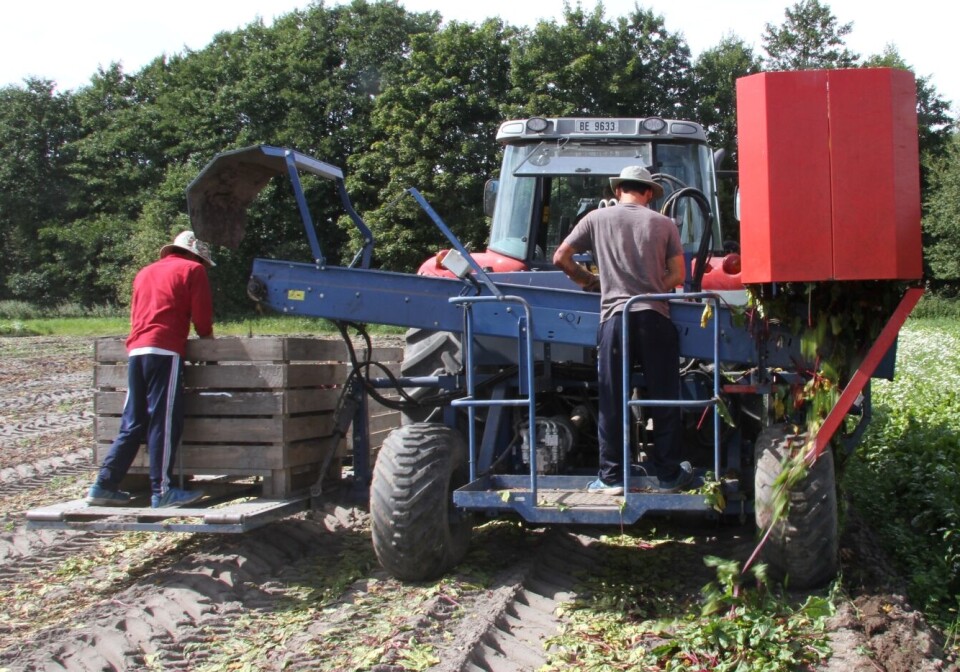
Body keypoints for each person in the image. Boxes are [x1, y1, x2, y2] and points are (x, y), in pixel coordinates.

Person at [552, 166, 693, 495]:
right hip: (655, 317)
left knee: (612, 398)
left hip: (615, 320)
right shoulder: (664, 223)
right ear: (647, 193)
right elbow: (677, 276)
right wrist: (651, 284)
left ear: (618, 191)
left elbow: (561, 257)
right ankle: (669, 475)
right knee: (665, 398)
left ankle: (612, 477)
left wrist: (590, 281)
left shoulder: (595, 219)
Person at [86, 231, 215, 509]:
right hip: (165, 350)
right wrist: (208, 343)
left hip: (137, 350)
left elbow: (136, 312)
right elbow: (202, 315)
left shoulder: (144, 272)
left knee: (132, 421)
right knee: (164, 419)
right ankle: (163, 490)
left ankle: (104, 485)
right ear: (196, 255)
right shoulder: (192, 270)